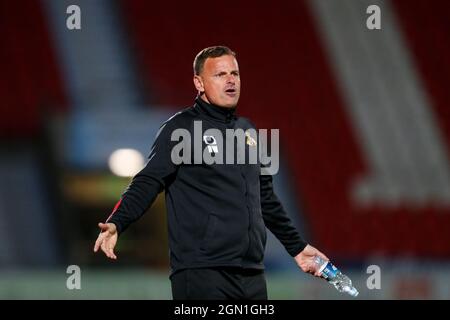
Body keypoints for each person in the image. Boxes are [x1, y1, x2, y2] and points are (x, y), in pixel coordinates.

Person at [93, 45, 328, 300]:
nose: (231, 80)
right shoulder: (181, 129)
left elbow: (266, 199)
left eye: (235, 74)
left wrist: (297, 247)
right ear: (199, 82)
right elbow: (149, 180)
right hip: (203, 273)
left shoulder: (249, 131)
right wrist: (118, 221)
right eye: (220, 75)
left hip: (251, 274)